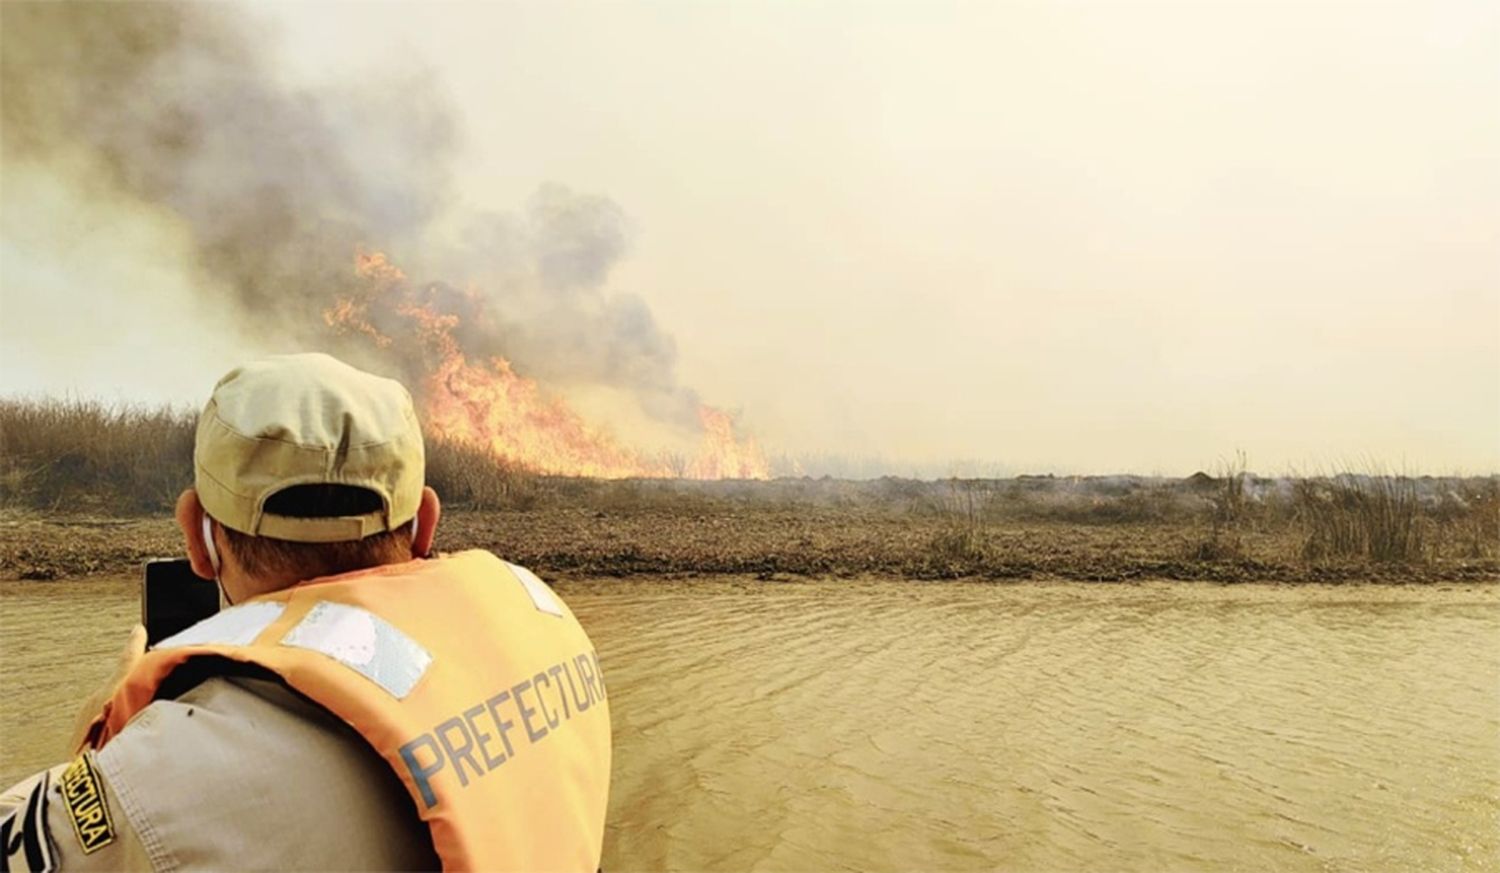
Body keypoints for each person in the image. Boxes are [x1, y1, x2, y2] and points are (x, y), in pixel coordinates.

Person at [0, 353, 612, 872]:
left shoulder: (160, 779)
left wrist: (97, 740)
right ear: (425, 522)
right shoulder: (549, 619)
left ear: (197, 537)